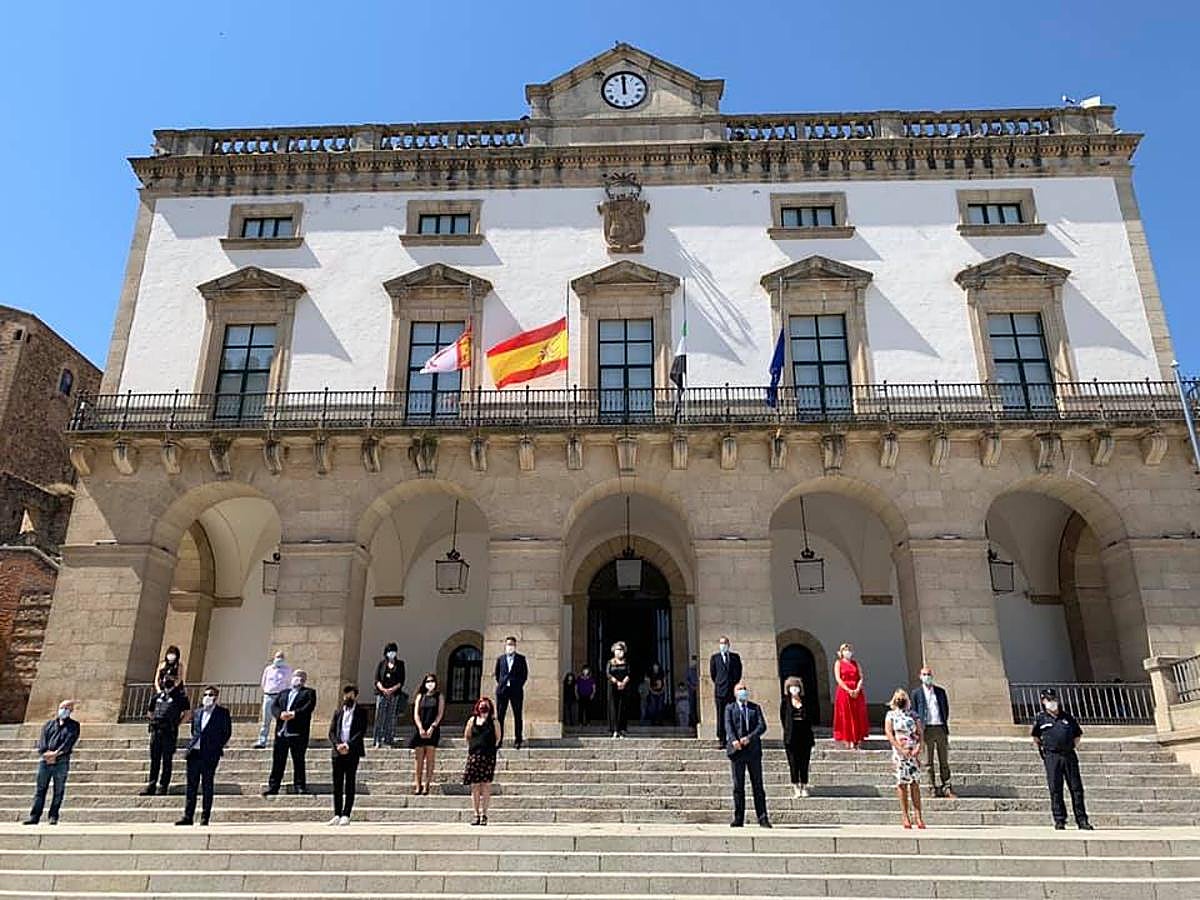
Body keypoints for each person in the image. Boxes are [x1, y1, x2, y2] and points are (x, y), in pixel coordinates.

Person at [1032, 688, 1093, 830]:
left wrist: (1070, 746)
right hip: (1052, 756)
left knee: (1076, 788)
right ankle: (1060, 820)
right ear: (1043, 701)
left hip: (1068, 755)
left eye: (1053, 699)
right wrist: (1044, 750)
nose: (1051, 702)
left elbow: (1077, 734)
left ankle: (1082, 819)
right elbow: (1035, 736)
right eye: (1048, 700)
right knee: (1055, 788)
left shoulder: (1067, 717)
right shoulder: (1041, 718)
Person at [176, 685, 231, 826]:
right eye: (206, 694)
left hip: (210, 754)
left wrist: (215, 747)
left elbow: (226, 733)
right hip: (194, 752)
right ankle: (188, 816)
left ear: (216, 697)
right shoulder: (198, 712)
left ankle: (205, 816)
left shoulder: (222, 713)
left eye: (211, 695)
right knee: (191, 786)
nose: (207, 697)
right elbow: (194, 730)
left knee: (207, 785)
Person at [23, 700, 79, 825]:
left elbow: (69, 742)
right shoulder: (48, 725)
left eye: (67, 708)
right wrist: (46, 753)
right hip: (45, 760)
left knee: (58, 790)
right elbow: (42, 741)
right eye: (62, 707)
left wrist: (56, 754)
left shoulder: (74, 726)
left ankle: (53, 816)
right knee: (40, 789)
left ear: (71, 710)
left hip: (61, 760)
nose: (64, 710)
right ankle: (34, 816)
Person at [262, 669, 315, 796]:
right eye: (297, 676)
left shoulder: (309, 693)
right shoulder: (283, 693)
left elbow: (308, 707)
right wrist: (280, 714)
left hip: (298, 733)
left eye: (302, 677)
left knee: (298, 760)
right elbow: (274, 707)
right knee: (278, 761)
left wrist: (294, 714)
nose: (299, 679)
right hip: (281, 732)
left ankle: (300, 785)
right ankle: (274, 786)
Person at [725, 681, 770, 828]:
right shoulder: (730, 708)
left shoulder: (754, 708)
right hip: (737, 751)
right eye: (739, 689)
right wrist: (734, 741)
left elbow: (761, 726)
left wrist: (749, 738)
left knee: (758, 785)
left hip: (753, 751)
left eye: (744, 689)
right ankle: (738, 817)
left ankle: (762, 817)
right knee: (738, 786)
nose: (742, 691)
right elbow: (728, 726)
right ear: (734, 693)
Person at [911, 665, 955, 798]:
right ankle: (932, 787)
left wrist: (942, 722)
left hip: (940, 727)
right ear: (920, 676)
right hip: (926, 729)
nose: (927, 677)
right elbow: (914, 711)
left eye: (929, 674)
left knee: (944, 760)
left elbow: (945, 709)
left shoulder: (940, 692)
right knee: (928, 761)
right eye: (924, 674)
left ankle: (947, 786)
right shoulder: (916, 693)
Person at [141, 676, 190, 796]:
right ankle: (151, 785)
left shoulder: (180, 697)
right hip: (156, 731)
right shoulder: (157, 697)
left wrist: (177, 723)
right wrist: (154, 722)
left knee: (167, 759)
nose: (167, 682)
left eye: (170, 680)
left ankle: (163, 785)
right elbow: (150, 712)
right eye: (165, 680)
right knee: (155, 759)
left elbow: (188, 714)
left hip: (169, 732)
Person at [885, 688, 926, 829]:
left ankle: (918, 816)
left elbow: (920, 733)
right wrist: (899, 748)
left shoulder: (914, 715)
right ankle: (905, 816)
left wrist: (918, 748)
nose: (901, 700)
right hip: (899, 753)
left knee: (915, 784)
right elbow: (889, 734)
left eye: (903, 697)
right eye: (898, 698)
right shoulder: (891, 715)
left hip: (912, 752)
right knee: (902, 785)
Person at [327, 684, 367, 825]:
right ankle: (337, 813)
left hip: (352, 751)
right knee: (337, 784)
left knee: (349, 782)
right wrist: (338, 744)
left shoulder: (361, 712)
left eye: (350, 695)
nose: (347, 697)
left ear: (355, 696)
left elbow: (361, 732)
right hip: (337, 752)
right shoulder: (338, 712)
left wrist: (348, 745)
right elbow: (332, 732)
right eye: (345, 695)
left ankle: (346, 814)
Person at [463, 696, 502, 826]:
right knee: (475, 785)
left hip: (488, 756)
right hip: (474, 755)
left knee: (486, 785)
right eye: (481, 705)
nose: (483, 707)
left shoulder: (494, 721)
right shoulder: (472, 720)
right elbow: (467, 736)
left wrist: (490, 748)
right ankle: (476, 813)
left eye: (485, 705)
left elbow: (498, 737)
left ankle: (485, 814)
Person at [408, 672, 445, 794]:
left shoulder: (439, 696)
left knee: (430, 758)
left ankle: (427, 784)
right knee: (419, 759)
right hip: (420, 728)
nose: (430, 683)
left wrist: (432, 727)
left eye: (432, 681)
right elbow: (416, 713)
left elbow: (440, 714)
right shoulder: (420, 696)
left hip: (432, 729)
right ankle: (418, 784)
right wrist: (420, 728)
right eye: (428, 681)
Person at [780, 676, 815, 799]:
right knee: (793, 763)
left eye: (796, 687)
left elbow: (811, 717)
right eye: (791, 687)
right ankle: (795, 786)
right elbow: (783, 719)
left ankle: (804, 785)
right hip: (791, 737)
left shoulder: (805, 702)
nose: (794, 689)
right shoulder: (785, 702)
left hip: (805, 736)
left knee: (804, 763)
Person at [832, 642, 869, 749]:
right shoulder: (838, 663)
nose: (847, 652)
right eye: (845, 650)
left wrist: (857, 688)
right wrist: (848, 689)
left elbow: (861, 677)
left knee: (857, 714)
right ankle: (847, 739)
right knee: (846, 714)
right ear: (841, 652)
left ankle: (857, 738)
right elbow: (838, 678)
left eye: (849, 650)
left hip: (857, 691)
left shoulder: (856, 663)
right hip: (844, 691)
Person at [494, 636, 528, 749]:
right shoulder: (500, 659)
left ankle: (518, 739)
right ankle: (499, 740)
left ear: (515, 646)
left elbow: (524, 675)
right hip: (502, 691)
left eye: (512, 644)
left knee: (517, 715)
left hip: (516, 691)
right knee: (500, 716)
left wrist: (517, 684)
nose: (510, 646)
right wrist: (502, 683)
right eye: (508, 644)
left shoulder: (521, 659)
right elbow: (497, 674)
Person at [709, 637, 743, 749]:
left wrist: (733, 685)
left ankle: (734, 737)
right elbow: (713, 674)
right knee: (721, 715)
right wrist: (720, 683)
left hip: (732, 691)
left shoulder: (735, 657)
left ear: (729, 644)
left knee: (734, 715)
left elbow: (739, 672)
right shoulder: (715, 658)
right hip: (720, 691)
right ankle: (721, 739)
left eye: (725, 643)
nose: (723, 645)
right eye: (721, 643)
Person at [255, 650, 292, 749]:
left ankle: (280, 741)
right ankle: (262, 740)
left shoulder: (288, 669)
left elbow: (289, 683)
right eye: (277, 656)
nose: (279, 659)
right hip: (269, 695)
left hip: (281, 697)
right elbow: (264, 682)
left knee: (281, 719)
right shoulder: (268, 669)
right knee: (266, 720)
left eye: (281, 657)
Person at [372, 642, 405, 748]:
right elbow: (377, 679)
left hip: (394, 694)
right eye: (390, 651)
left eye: (394, 651)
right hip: (381, 694)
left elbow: (401, 680)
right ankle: (377, 739)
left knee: (391, 717)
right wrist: (383, 689)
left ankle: (389, 738)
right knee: (379, 717)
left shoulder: (400, 664)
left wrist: (391, 690)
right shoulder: (382, 664)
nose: (392, 653)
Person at [606, 642, 632, 738]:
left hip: (624, 687)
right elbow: (608, 674)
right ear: (614, 651)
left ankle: (622, 729)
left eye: (621, 650)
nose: (619, 651)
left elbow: (629, 674)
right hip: (613, 687)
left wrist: (623, 683)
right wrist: (617, 682)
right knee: (613, 708)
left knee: (622, 707)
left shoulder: (626, 662)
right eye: (617, 649)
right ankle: (614, 730)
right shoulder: (610, 662)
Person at [686, 656, 700, 727]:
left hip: (698, 690)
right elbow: (688, 681)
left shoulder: (699, 670)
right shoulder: (691, 670)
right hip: (692, 691)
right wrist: (693, 686)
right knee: (692, 706)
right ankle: (693, 721)